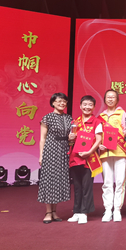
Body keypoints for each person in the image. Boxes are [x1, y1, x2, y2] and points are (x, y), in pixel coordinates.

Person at [67, 95, 104, 224]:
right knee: (77, 186)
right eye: (85, 104)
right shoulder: (75, 122)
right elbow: (71, 140)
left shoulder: (97, 122)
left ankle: (84, 212)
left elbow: (99, 140)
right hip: (75, 158)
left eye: (90, 105)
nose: (87, 107)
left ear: (94, 107)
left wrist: (89, 152)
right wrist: (70, 138)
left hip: (89, 159)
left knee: (87, 186)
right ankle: (76, 212)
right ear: (80, 106)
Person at [38, 93, 72, 224]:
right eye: (59, 101)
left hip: (64, 151)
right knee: (49, 180)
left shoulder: (69, 118)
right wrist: (41, 155)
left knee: (58, 180)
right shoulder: (47, 118)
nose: (62, 103)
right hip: (51, 150)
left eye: (64, 101)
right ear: (53, 103)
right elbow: (42, 138)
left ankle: (54, 212)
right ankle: (48, 212)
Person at [99, 89, 126, 223]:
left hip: (120, 151)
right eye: (108, 97)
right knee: (107, 182)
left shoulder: (123, 113)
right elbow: (98, 135)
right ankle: (107, 209)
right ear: (105, 99)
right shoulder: (101, 116)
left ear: (117, 100)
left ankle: (117, 209)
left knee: (119, 181)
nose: (110, 99)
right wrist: (99, 144)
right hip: (105, 153)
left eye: (113, 97)